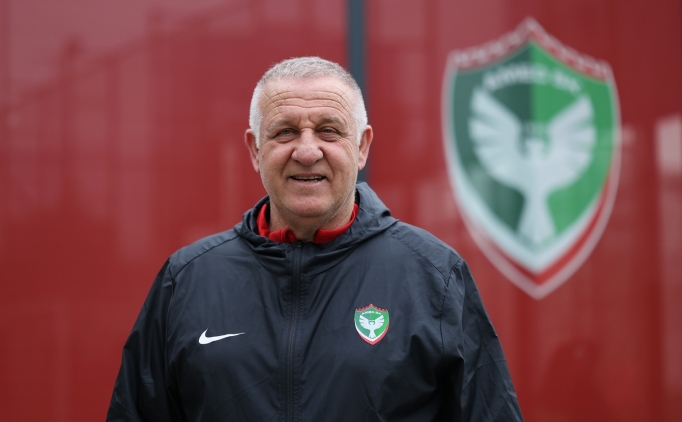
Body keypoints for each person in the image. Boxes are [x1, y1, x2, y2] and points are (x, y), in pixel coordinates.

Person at [107, 56, 523, 421]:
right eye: (285, 132)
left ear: (362, 146)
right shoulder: (187, 279)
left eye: (328, 131)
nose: (307, 152)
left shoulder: (435, 276)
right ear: (255, 150)